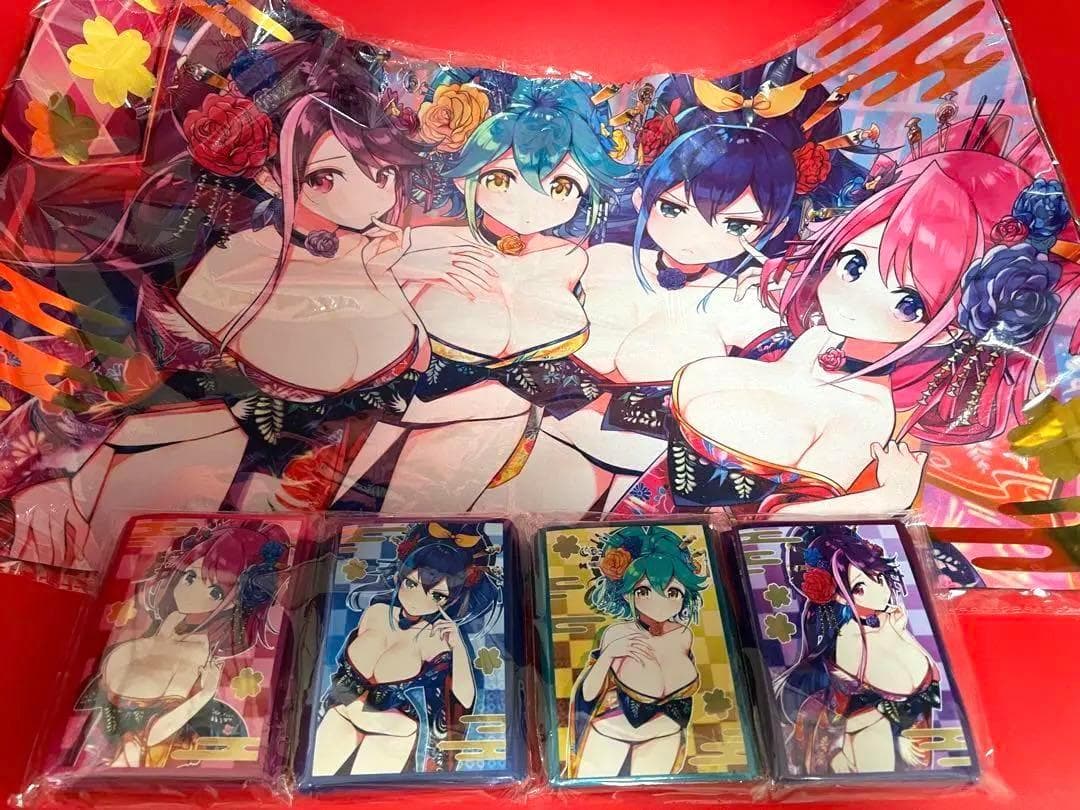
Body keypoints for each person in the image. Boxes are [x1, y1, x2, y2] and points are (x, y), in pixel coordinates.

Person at [5, 31, 449, 570]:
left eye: (381, 174)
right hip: (172, 503)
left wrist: (389, 275)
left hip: (320, 525)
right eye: (326, 178)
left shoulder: (385, 251)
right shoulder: (239, 264)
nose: (371, 196)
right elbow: (141, 379)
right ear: (271, 178)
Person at [613, 118, 1078, 515]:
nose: (855, 296)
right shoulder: (814, 342)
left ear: (953, 327)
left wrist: (889, 498)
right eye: (853, 264)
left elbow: (782, 520)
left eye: (909, 303)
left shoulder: (869, 410)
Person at [334, 77, 628, 513]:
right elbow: (348, 306)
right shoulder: (424, 246)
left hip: (517, 433)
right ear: (465, 178)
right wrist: (396, 269)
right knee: (375, 531)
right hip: (420, 423)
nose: (531, 201)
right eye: (503, 178)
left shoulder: (572, 259)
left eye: (562, 187)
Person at [73, 520, 287, 768]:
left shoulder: (200, 649)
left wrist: (204, 694)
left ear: (233, 602)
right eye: (190, 577)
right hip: (104, 710)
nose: (191, 592)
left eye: (215, 592)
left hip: (148, 730)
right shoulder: (169, 622)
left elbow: (167, 720)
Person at [312, 522, 501, 775]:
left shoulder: (435, 638)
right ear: (400, 577)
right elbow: (339, 670)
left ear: (451, 601)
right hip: (342, 714)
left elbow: (463, 700)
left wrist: (458, 648)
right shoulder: (376, 613)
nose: (417, 599)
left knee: (366, 794)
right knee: (314, 783)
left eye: (437, 596)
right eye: (411, 584)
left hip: (392, 734)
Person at [776, 525, 938, 775]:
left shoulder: (883, 622)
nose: (881, 591)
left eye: (879, 578)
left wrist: (897, 631)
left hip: (910, 747)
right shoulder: (850, 637)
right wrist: (895, 634)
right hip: (866, 744)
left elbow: (923, 675)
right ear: (840, 597)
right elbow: (907, 683)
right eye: (860, 588)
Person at [567, 525, 707, 778]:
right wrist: (608, 655)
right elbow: (587, 693)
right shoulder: (618, 634)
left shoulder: (684, 635)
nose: (659, 602)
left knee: (657, 795)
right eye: (644, 591)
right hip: (611, 734)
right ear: (627, 594)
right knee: (590, 793)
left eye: (673, 592)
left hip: (666, 735)